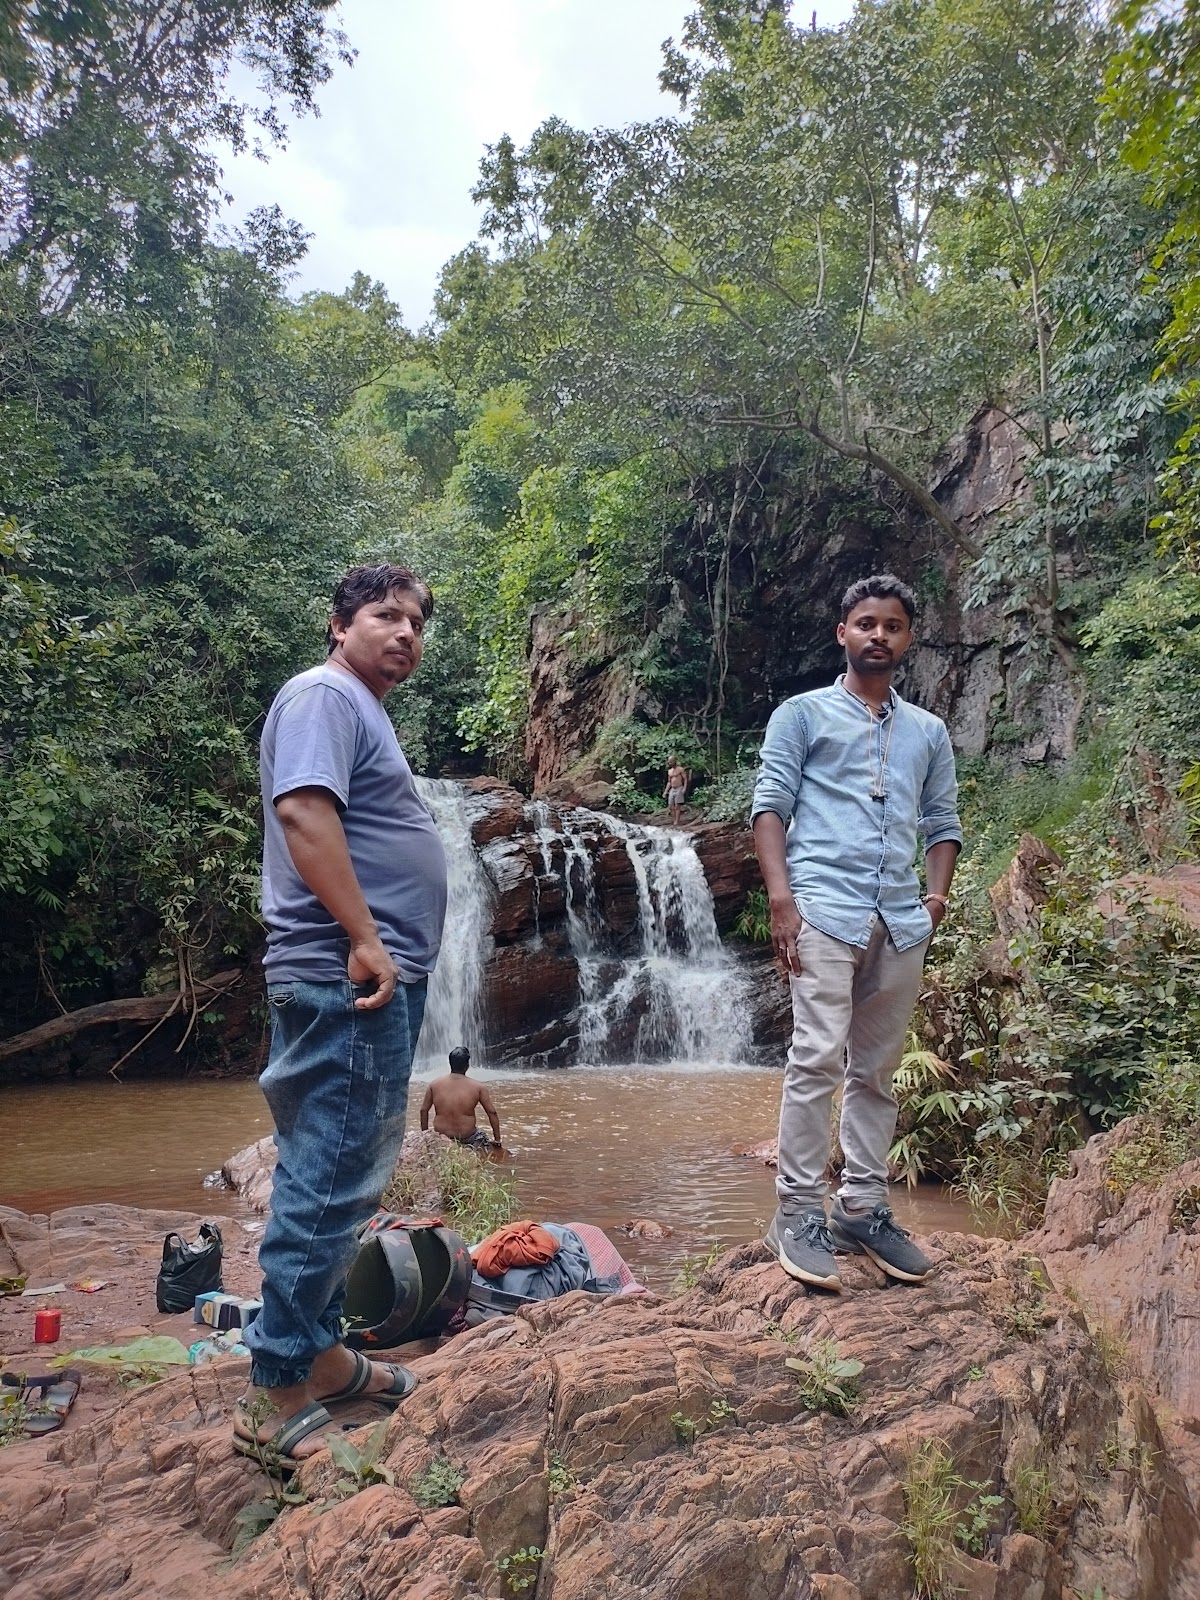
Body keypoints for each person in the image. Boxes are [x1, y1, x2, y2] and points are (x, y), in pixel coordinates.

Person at [234, 562, 448, 1470]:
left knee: (342, 1176)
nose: (404, 633)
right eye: (384, 616)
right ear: (338, 625)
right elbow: (304, 813)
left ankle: (320, 1355)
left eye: (416, 622)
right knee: (327, 1178)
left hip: (367, 974)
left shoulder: (359, 707)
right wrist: (364, 936)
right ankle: (275, 1387)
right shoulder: (323, 695)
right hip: (344, 970)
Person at [750, 573, 962, 1292]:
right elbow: (770, 807)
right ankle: (797, 1212)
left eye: (893, 624)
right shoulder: (802, 715)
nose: (879, 634)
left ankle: (862, 1208)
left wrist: (935, 898)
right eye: (865, 622)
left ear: (907, 638)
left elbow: (944, 823)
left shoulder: (928, 732)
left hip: (901, 919)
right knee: (815, 1058)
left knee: (875, 1071)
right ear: (843, 633)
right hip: (822, 909)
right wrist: (783, 902)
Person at [419, 1046, 502, 1149]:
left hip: (442, 1136)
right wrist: (497, 1139)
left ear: (450, 1063)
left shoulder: (434, 1085)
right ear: (467, 1065)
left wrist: (425, 1136)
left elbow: (423, 1110)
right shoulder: (478, 1087)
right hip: (468, 1137)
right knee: (482, 1138)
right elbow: (492, 1112)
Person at [663, 755, 689, 825]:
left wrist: (684, 788)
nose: (670, 763)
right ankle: (674, 820)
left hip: (679, 788)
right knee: (671, 806)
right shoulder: (669, 771)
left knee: (677, 806)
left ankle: (677, 821)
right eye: (669, 762)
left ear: (675, 761)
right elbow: (669, 782)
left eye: (671, 762)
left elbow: (685, 779)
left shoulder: (680, 769)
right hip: (672, 789)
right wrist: (666, 791)